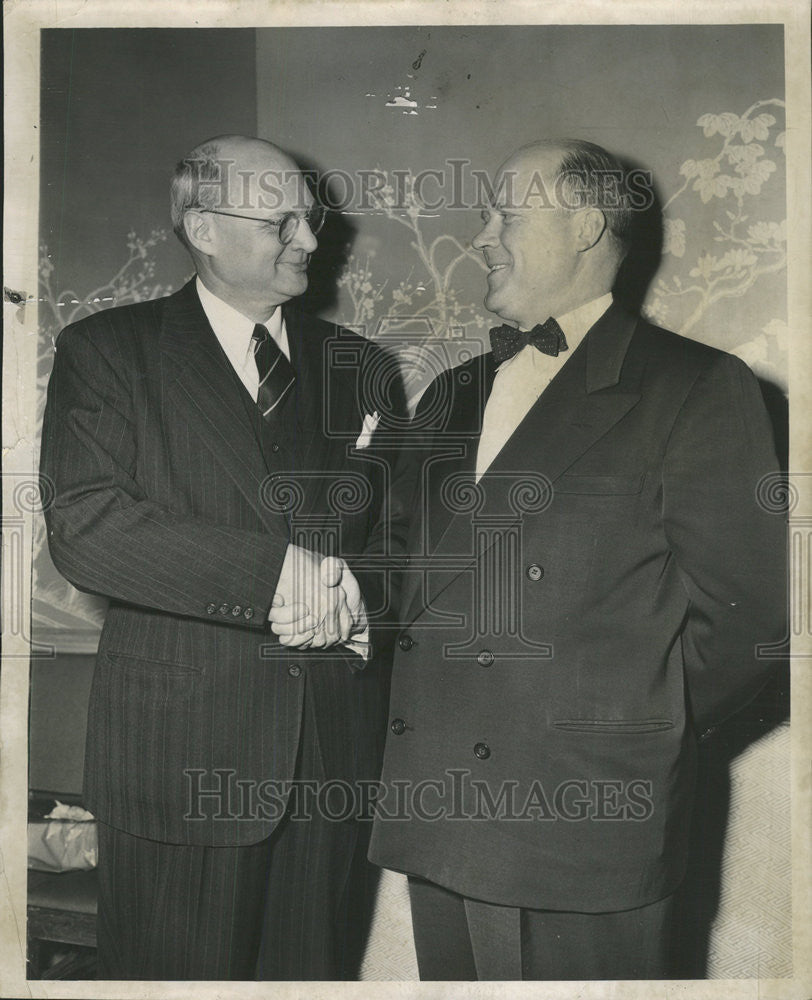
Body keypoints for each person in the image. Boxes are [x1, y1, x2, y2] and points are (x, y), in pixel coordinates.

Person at [367, 138, 787, 980]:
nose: (480, 235)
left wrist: (631, 722)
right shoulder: (452, 391)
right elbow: (409, 580)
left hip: (581, 826)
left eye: (505, 214)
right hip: (438, 812)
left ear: (588, 226)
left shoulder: (698, 386)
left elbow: (756, 618)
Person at [40, 134, 405, 980]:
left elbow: (404, 539)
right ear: (203, 228)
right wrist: (280, 575)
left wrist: (357, 597)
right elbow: (90, 526)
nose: (310, 240)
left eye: (310, 218)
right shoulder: (109, 352)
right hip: (180, 761)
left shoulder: (362, 367)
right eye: (282, 220)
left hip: (331, 761)